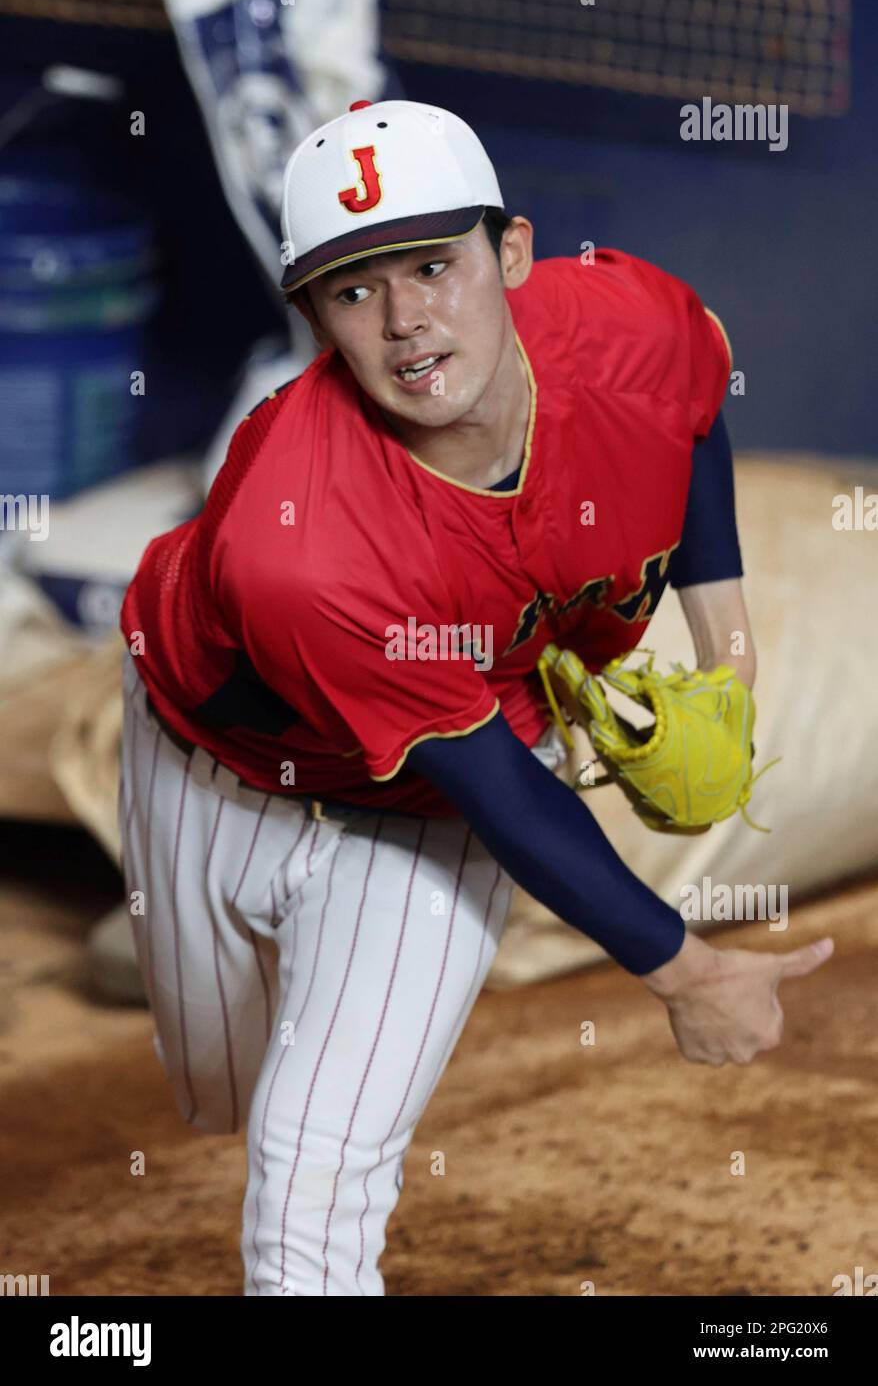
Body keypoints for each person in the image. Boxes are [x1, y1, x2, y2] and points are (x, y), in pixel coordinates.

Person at [117, 99, 832, 1295]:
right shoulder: (302, 545)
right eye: (353, 291)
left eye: (432, 265)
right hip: (214, 762)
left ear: (510, 254)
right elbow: (498, 783)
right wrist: (684, 970)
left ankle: (312, 966)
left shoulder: (624, 330)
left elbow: (693, 400)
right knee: (220, 1094)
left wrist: (731, 656)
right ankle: (228, 931)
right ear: (311, 320)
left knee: (312, 1158)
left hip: (422, 810)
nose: (404, 322)